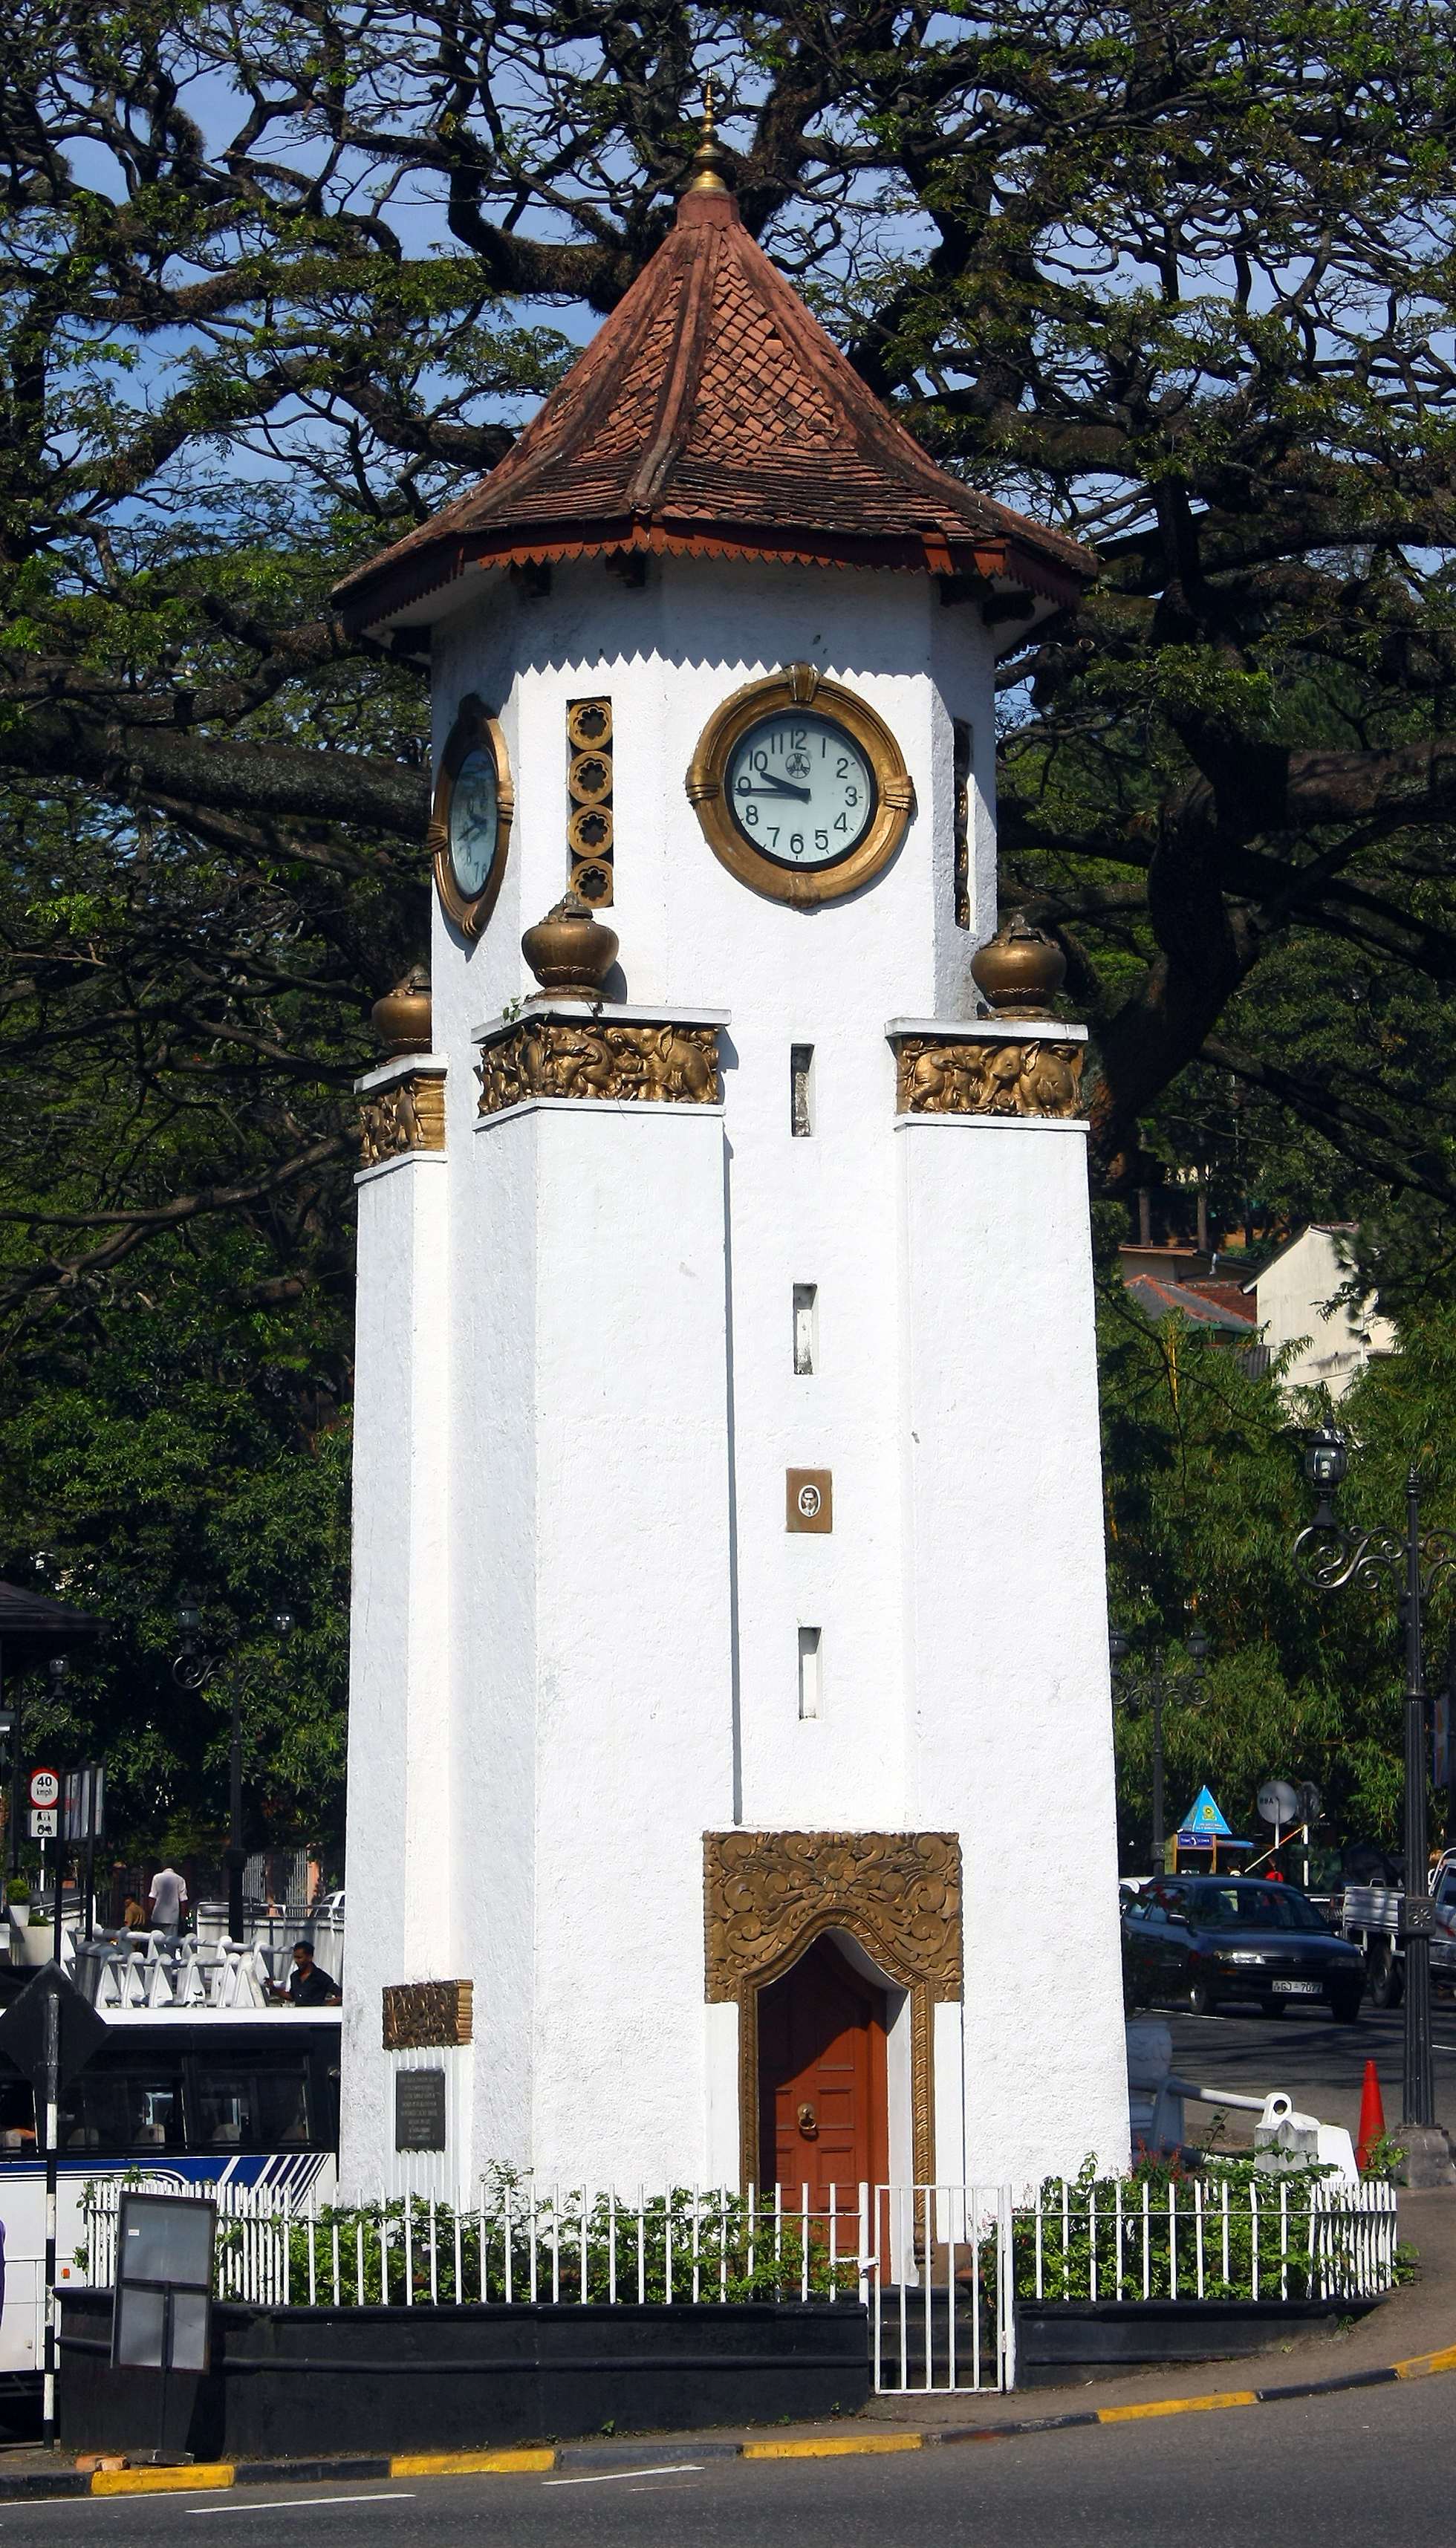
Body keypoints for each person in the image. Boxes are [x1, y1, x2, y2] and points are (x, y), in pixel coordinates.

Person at [279, 1941, 340, 2007]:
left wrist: (324, 2008)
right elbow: (293, 1997)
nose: (296, 1961)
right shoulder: (294, 1976)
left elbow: (340, 1996)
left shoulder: (320, 1976)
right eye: (295, 1957)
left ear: (309, 1957)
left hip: (315, 2015)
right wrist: (273, 1987)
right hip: (298, 2014)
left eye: (299, 1958)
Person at [147, 1865, 188, 1936]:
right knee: (170, 1944)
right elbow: (183, 1900)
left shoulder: (157, 1878)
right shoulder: (180, 1880)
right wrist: (183, 1917)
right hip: (172, 1918)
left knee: (155, 1942)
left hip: (157, 1917)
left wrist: (149, 1914)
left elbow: (152, 1898)